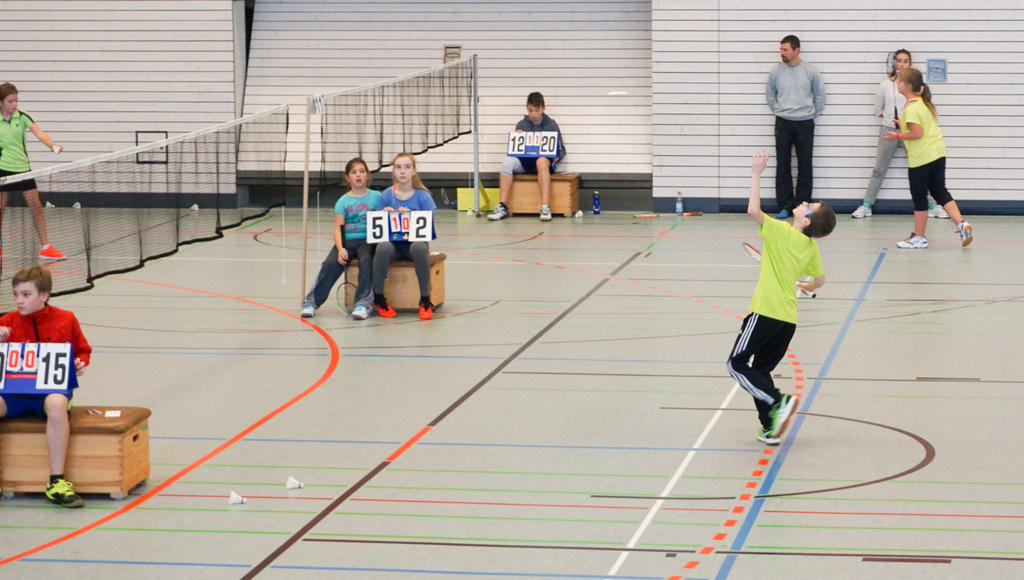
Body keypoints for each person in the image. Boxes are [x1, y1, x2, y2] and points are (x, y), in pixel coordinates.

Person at [727, 150, 835, 446]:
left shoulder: (779, 231)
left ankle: (778, 401)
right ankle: (770, 427)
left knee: (736, 364)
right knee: (760, 370)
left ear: (807, 221)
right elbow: (820, 281)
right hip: (787, 320)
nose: (804, 203)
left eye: (808, 206)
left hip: (765, 312)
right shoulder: (810, 249)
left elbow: (753, 210)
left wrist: (756, 173)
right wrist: (806, 285)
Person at [0, 266, 90, 507]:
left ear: (44, 295)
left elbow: (82, 350)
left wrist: (80, 362)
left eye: (26, 294)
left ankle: (56, 481)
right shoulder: (6, 322)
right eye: (16, 294)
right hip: (14, 394)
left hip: (50, 391)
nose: (19, 300)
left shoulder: (66, 319)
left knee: (57, 404)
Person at [883, 67, 973, 249]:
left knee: (919, 198)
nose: (897, 83)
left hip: (922, 158)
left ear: (908, 86)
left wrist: (898, 135)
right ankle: (961, 224)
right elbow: (920, 127)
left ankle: (919, 237)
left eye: (900, 80)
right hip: (937, 153)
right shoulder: (922, 103)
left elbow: (917, 133)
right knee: (939, 191)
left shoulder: (910, 107)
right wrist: (903, 124)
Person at [853, 50, 948, 219]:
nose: (902, 64)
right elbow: (878, 109)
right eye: (899, 60)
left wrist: (905, 126)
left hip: (910, 131)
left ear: (910, 64)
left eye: (905, 61)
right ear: (894, 63)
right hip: (889, 129)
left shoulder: (915, 87)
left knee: (921, 169)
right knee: (879, 169)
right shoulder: (885, 85)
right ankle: (866, 205)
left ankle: (932, 205)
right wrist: (892, 122)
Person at [300, 157, 382, 320]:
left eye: (362, 171)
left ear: (367, 175)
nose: (358, 175)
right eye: (354, 172)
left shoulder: (377, 197)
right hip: (347, 241)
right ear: (348, 178)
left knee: (367, 261)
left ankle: (362, 304)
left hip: (368, 240)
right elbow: (338, 228)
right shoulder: (343, 201)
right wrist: (340, 249)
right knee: (330, 264)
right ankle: (311, 302)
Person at [0, 83, 66, 261]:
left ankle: (45, 248)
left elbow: (40, 133)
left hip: (23, 169)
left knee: (36, 207)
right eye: (10, 101)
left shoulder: (22, 116)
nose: (15, 104)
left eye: (16, 100)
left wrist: (52, 145)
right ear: (1, 102)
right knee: (0, 210)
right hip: (2, 170)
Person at [765, 35, 826, 219]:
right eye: (781, 49)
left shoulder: (810, 71)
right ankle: (785, 205)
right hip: (783, 122)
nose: (782, 53)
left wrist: (810, 113)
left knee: (805, 165)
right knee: (782, 165)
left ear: (796, 50)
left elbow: (820, 95)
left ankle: (802, 206)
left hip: (805, 122)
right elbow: (770, 95)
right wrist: (780, 110)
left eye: (786, 50)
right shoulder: (776, 72)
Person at [372, 153, 437, 320]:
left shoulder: (423, 196)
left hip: (413, 244)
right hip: (393, 245)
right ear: (393, 171)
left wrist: (411, 216)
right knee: (383, 247)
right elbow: (377, 227)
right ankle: (378, 298)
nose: (402, 171)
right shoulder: (387, 195)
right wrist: (384, 214)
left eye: (407, 167)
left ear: (413, 171)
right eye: (398, 167)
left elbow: (428, 228)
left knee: (420, 246)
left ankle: (425, 300)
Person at [487, 92, 566, 222]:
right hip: (525, 163)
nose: (533, 114)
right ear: (527, 109)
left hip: (543, 163)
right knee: (507, 162)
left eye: (536, 110)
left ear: (543, 108)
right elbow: (515, 151)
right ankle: (502, 206)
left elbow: (562, 149)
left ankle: (545, 207)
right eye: (530, 110)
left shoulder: (551, 125)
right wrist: (517, 138)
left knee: (541, 161)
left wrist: (554, 158)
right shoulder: (521, 124)